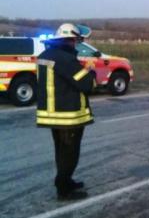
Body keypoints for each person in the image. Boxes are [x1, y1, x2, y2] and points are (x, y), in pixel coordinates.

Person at [37, 23, 96, 200]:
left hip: (53, 115)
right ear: (70, 40)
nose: (76, 45)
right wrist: (91, 74)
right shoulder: (66, 59)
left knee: (61, 151)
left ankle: (67, 181)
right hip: (67, 116)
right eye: (76, 41)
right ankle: (63, 189)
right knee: (69, 153)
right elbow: (86, 84)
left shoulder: (44, 55)